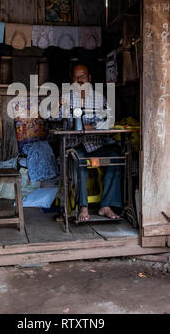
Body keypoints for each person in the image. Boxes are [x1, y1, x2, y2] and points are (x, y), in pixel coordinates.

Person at [61, 63, 122, 222]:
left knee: (116, 158)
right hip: (75, 146)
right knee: (79, 161)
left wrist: (92, 126)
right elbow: (51, 116)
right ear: (72, 80)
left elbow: (109, 120)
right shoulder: (66, 98)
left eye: (83, 76)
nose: (80, 80)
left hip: (96, 145)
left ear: (89, 78)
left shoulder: (98, 98)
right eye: (76, 77)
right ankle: (83, 207)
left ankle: (106, 205)